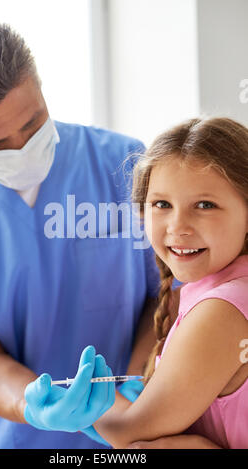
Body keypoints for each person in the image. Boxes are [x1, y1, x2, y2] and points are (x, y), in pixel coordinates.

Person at [0, 19, 162, 449]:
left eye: (32, 124)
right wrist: (34, 406)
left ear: (41, 87)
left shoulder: (126, 163)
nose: (22, 148)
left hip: (132, 429)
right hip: (12, 437)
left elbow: (165, 295)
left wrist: (138, 381)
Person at [24, 117, 248, 449]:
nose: (177, 226)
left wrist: (85, 406)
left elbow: (133, 435)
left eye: (205, 205)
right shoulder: (213, 287)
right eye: (162, 204)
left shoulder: (223, 309)